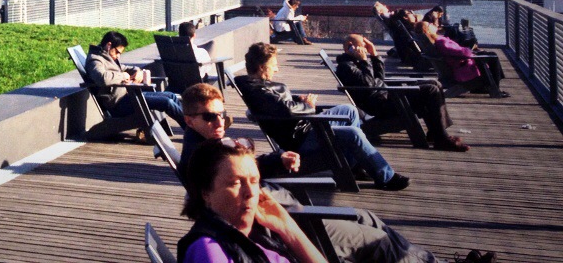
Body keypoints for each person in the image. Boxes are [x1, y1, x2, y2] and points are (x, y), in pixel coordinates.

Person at [178, 84, 457, 263]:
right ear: (189, 120)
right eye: (209, 117)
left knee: (367, 217)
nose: (219, 121)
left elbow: (240, 171)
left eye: (222, 115)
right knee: (378, 244)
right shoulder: (199, 162)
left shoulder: (212, 148)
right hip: (294, 223)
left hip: (284, 218)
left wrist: (275, 159)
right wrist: (287, 226)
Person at [234, 43, 409, 190]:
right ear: (262, 67)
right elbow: (286, 110)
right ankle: (386, 177)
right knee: (353, 134)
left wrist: (297, 99)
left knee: (349, 109)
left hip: (306, 126)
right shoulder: (256, 89)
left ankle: (352, 164)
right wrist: (308, 105)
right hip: (300, 139)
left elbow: (278, 104)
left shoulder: (259, 85)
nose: (277, 69)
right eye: (274, 65)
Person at [178, 139, 328, 263]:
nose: (250, 192)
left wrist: (288, 228)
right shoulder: (208, 248)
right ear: (206, 193)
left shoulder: (256, 235)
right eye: (236, 183)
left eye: (254, 181)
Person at [336, 34, 469, 151]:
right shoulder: (346, 67)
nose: (364, 50)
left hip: (385, 97)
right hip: (381, 105)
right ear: (350, 46)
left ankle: (437, 132)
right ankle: (441, 139)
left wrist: (374, 55)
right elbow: (369, 85)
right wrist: (365, 61)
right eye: (362, 46)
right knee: (431, 90)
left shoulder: (354, 62)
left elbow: (379, 79)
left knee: (434, 83)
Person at [84, 30, 185, 130]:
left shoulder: (108, 57)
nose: (118, 56)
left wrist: (138, 71)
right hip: (119, 104)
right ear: (109, 45)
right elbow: (102, 78)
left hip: (129, 97)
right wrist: (123, 76)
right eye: (117, 52)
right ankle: (192, 130)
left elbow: (124, 68)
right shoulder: (95, 60)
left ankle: (190, 123)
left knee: (170, 95)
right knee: (167, 102)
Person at [419, 22, 507, 94]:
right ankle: (495, 89)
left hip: (458, 65)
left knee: (488, 54)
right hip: (463, 69)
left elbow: (456, 52)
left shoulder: (439, 41)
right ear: (428, 30)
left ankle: (482, 88)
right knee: (492, 56)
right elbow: (462, 52)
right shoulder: (441, 42)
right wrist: (471, 50)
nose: (432, 24)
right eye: (429, 24)